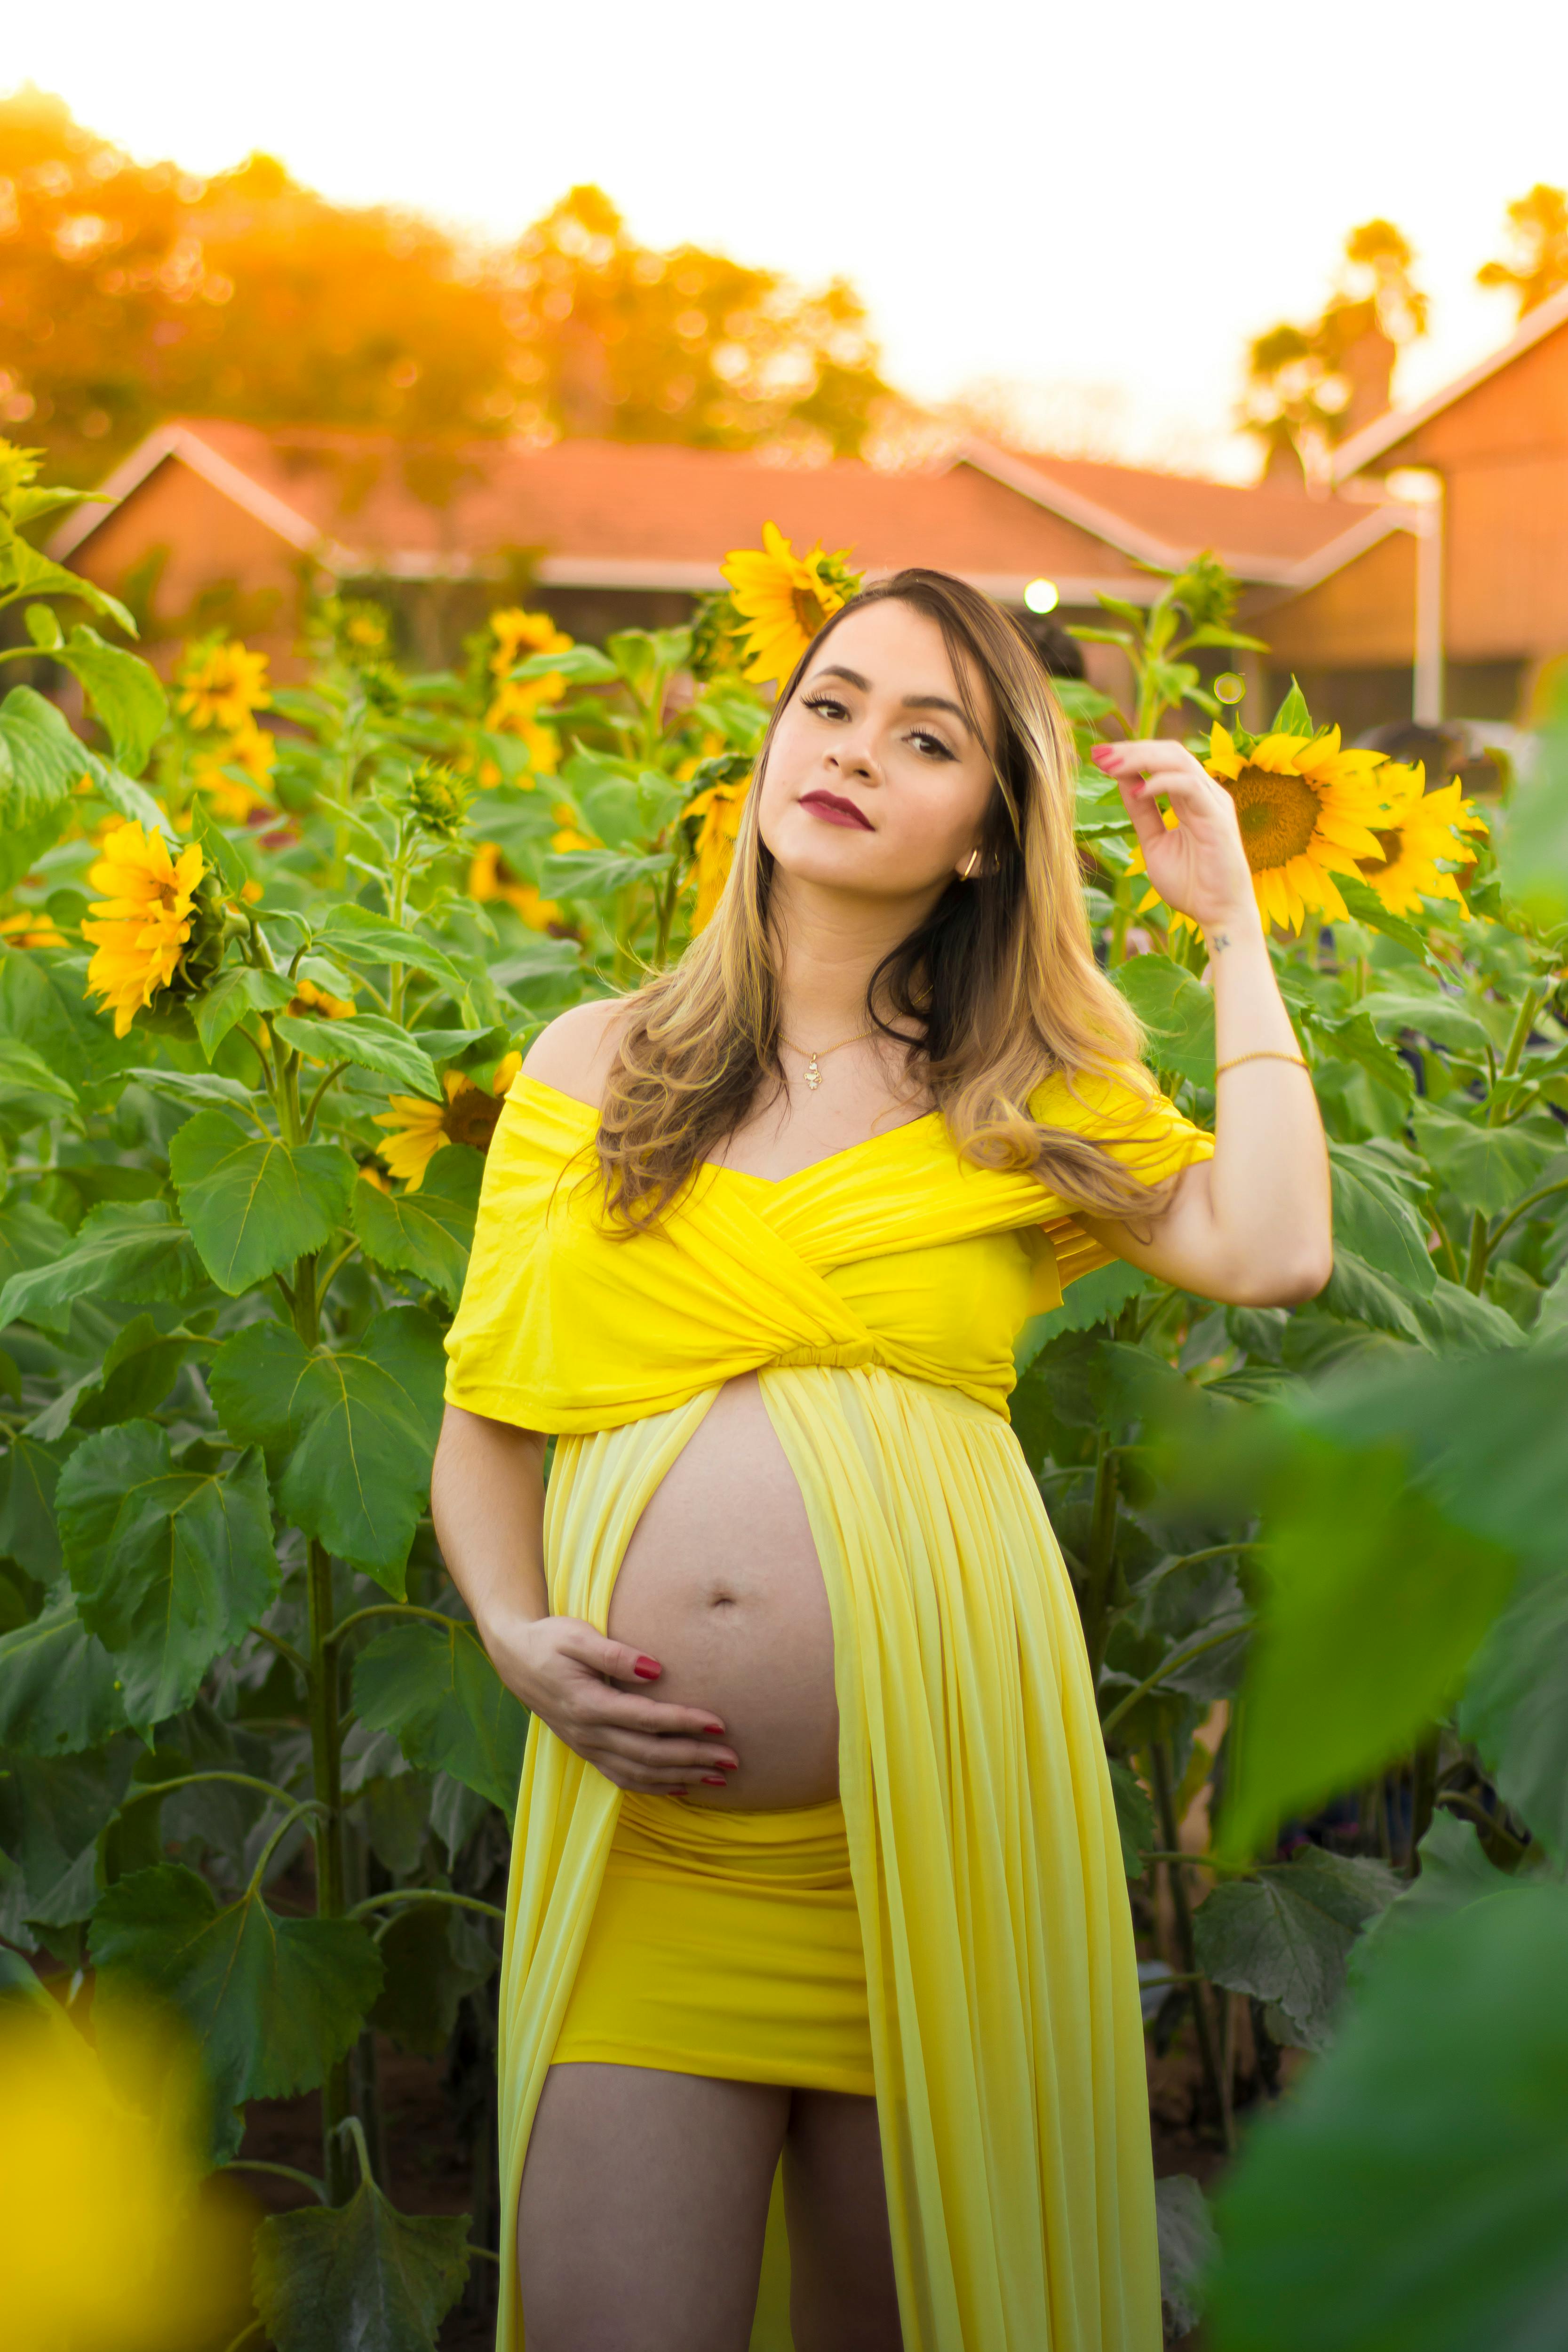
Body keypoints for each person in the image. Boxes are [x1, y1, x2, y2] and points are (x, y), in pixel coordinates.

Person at [432, 569, 1332, 2352]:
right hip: (653, 1867)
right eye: (830, 704)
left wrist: (1234, 924)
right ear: (772, 742)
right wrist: (512, 1636)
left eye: (927, 740)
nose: (851, 752)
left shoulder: (1020, 1093)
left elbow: (1279, 1248)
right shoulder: (590, 1065)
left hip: (944, 1849)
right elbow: (486, 1425)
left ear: (990, 837)